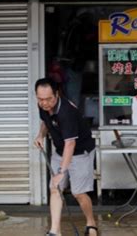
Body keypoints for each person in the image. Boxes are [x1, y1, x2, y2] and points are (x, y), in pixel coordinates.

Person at [33, 78, 98, 236]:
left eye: (48, 99)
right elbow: (45, 121)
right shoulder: (43, 105)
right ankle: (55, 231)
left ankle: (91, 222)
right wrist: (40, 135)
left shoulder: (66, 112)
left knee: (79, 193)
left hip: (80, 153)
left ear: (56, 94)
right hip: (61, 151)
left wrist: (61, 172)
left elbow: (71, 144)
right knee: (55, 189)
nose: (44, 103)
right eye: (40, 99)